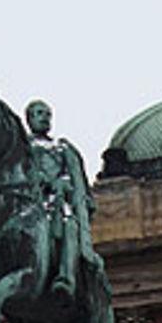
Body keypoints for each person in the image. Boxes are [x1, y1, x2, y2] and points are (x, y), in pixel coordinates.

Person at [25, 99, 101, 303]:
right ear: (29, 118)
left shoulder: (61, 148)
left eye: (48, 114)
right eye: (39, 113)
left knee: (69, 224)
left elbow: (76, 181)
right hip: (27, 203)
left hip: (54, 202)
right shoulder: (20, 148)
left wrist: (63, 183)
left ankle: (65, 278)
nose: (45, 118)